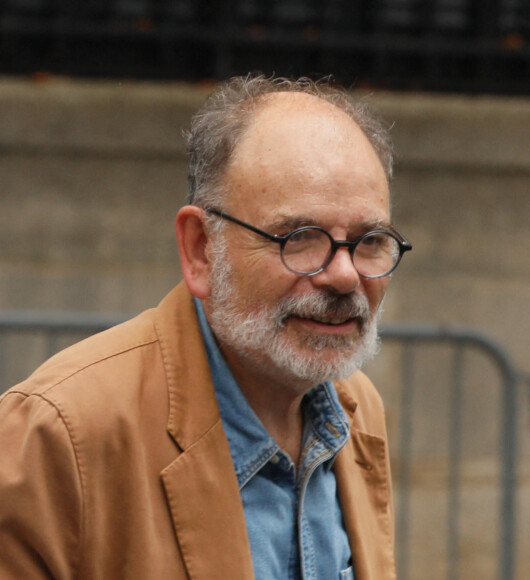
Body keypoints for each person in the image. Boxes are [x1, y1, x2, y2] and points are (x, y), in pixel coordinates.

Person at [0, 74, 411, 580]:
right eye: (300, 237)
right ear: (200, 248)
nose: (345, 274)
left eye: (370, 239)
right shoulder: (61, 434)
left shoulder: (355, 408)